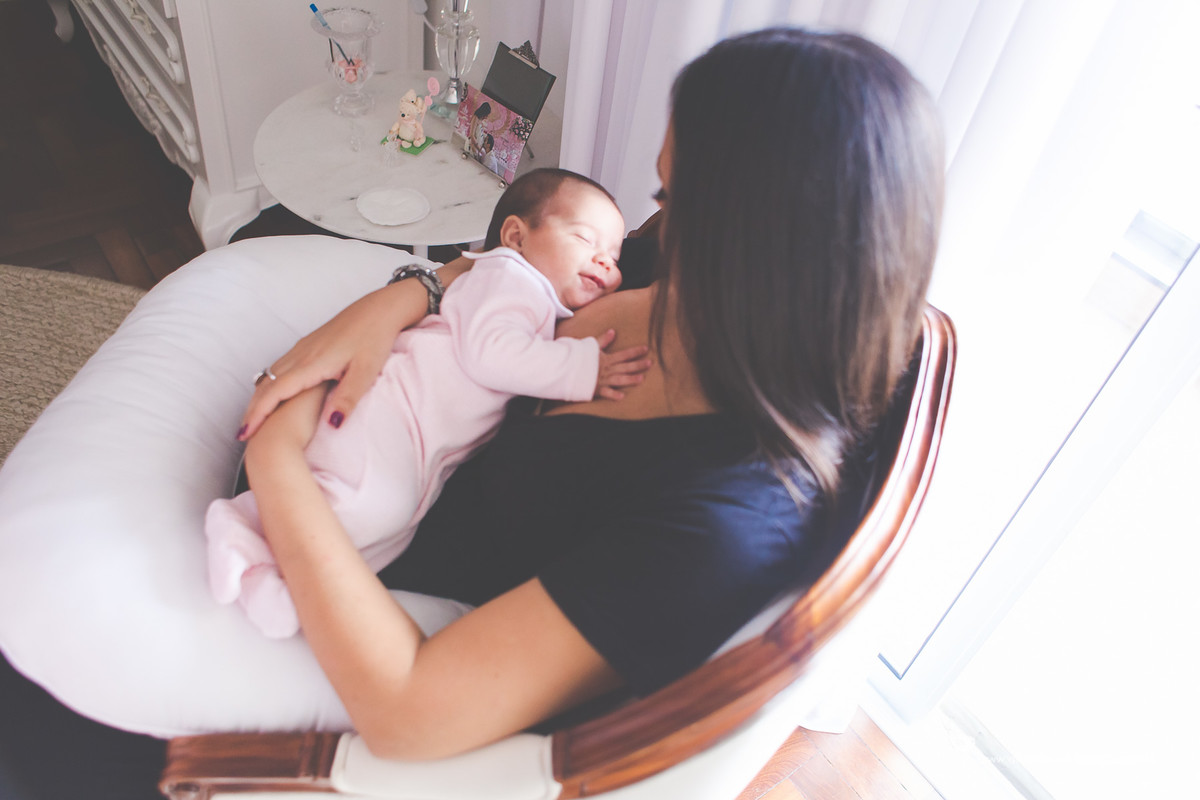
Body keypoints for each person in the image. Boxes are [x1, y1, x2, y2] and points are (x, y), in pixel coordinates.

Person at [0, 26, 945, 797]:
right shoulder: (694, 290)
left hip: (364, 592)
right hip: (396, 451)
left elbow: (410, 712)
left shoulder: (724, 523)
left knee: (36, 713)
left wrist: (281, 452)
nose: (656, 222)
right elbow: (508, 268)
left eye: (673, 195)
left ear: (753, 246)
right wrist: (407, 293)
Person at [206, 168, 649, 638]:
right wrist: (581, 367)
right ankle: (245, 530)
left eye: (614, 256)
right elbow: (489, 353)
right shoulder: (511, 278)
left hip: (418, 443)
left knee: (391, 524)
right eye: (585, 239)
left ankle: (281, 576)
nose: (605, 262)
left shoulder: (538, 301)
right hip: (390, 412)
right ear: (517, 236)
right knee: (376, 506)